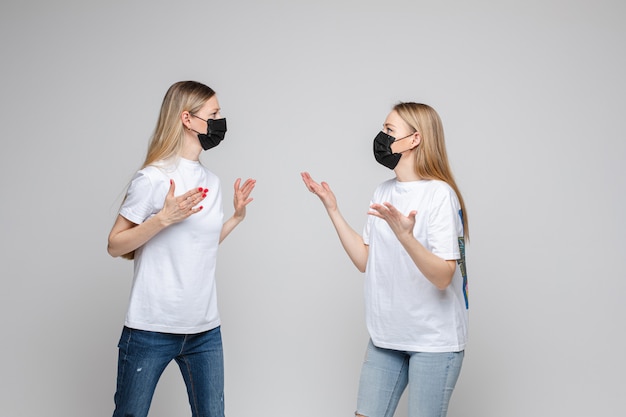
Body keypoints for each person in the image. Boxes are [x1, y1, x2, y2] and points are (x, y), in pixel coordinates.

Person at [301, 102, 469, 417]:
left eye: (390, 131)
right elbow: (366, 260)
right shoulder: (383, 192)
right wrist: (332, 209)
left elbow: (444, 276)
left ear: (415, 139)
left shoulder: (440, 195)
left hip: (434, 342)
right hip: (386, 337)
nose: (382, 137)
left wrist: (406, 237)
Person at [107, 80, 256, 417]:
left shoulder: (212, 182)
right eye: (213, 113)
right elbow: (115, 244)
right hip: (150, 328)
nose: (220, 121)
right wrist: (162, 219)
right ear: (187, 119)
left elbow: (200, 245)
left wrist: (236, 218)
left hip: (204, 330)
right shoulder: (153, 178)